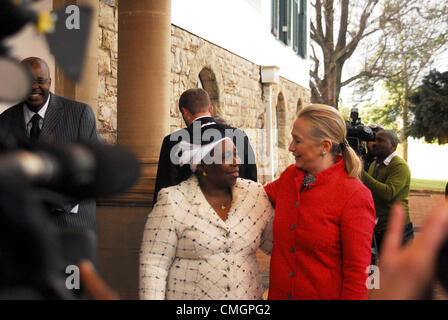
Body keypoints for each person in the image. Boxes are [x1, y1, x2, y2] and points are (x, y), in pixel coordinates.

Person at [140, 125, 273, 299]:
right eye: (226, 156)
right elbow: (154, 264)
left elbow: (279, 245)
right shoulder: (173, 201)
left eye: (235, 153)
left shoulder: (254, 196)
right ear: (203, 163)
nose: (236, 161)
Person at [264, 104, 375, 300]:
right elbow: (255, 198)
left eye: (297, 141)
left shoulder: (355, 195)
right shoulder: (290, 177)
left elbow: (358, 273)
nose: (290, 147)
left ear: (325, 146)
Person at [0, 57, 102, 233]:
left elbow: (96, 164)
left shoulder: (79, 114)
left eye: (40, 81)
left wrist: (62, 200)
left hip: (72, 227)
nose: (34, 87)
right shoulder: (4, 121)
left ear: (50, 82)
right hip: (22, 232)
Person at [152, 88, 257, 205]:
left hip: (190, 217)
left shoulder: (173, 141)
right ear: (211, 109)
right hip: (236, 213)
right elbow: (251, 179)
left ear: (184, 112)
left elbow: (165, 188)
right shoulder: (239, 135)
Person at [362, 130, 414, 254]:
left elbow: (388, 193)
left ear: (393, 145)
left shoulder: (399, 166)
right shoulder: (375, 164)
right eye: (375, 140)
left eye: (380, 140)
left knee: (399, 271)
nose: (374, 143)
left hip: (398, 230)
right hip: (380, 228)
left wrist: (362, 174)